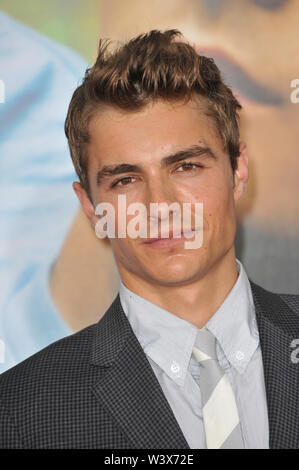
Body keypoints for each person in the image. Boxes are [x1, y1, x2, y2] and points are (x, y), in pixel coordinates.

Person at [0, 29, 298, 449]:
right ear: (90, 206)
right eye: (125, 179)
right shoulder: (20, 413)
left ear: (238, 171)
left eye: (186, 167)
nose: (160, 205)